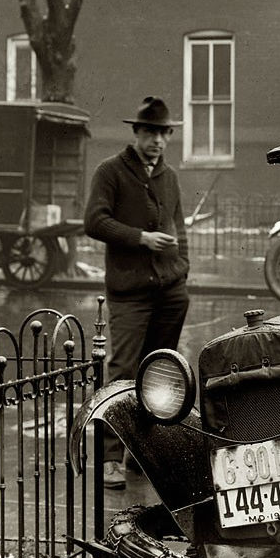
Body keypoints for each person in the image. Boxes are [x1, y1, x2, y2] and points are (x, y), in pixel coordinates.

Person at [84, 96, 192, 385]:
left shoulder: (168, 177)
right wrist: (141, 238)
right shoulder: (110, 171)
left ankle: (153, 429)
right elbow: (94, 221)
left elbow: (179, 228)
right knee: (123, 372)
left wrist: (181, 270)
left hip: (170, 293)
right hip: (130, 292)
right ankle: (114, 432)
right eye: (149, 133)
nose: (157, 140)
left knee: (161, 370)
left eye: (163, 133)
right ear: (136, 133)